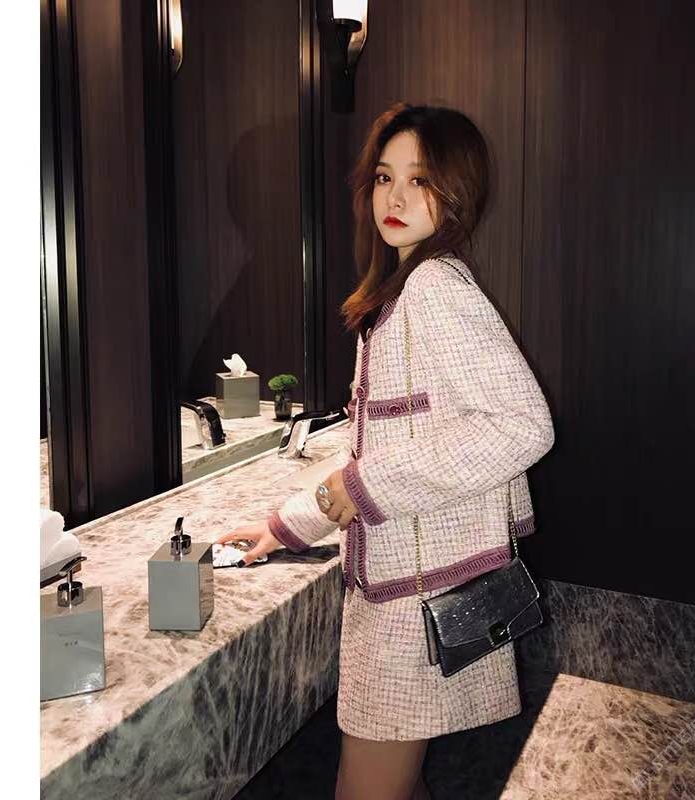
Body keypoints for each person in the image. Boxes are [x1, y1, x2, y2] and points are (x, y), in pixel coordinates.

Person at [217, 103, 555, 800]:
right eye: (383, 177)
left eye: (419, 180)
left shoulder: (434, 289)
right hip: (406, 593)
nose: (394, 199)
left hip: (414, 607)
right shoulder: (401, 294)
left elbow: (525, 425)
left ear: (457, 193)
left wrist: (368, 486)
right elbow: (378, 447)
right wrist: (288, 525)